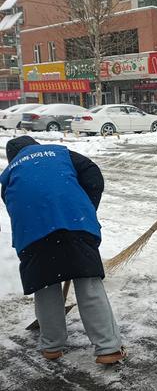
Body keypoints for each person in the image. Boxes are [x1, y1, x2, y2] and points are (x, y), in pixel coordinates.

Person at [0, 136, 125, 363]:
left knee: (45, 287)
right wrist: (85, 208)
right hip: (73, 222)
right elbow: (93, 175)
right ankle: (108, 349)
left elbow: (16, 207)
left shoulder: (9, 175)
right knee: (88, 284)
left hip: (32, 235)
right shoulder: (59, 153)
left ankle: (51, 347)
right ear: (36, 146)